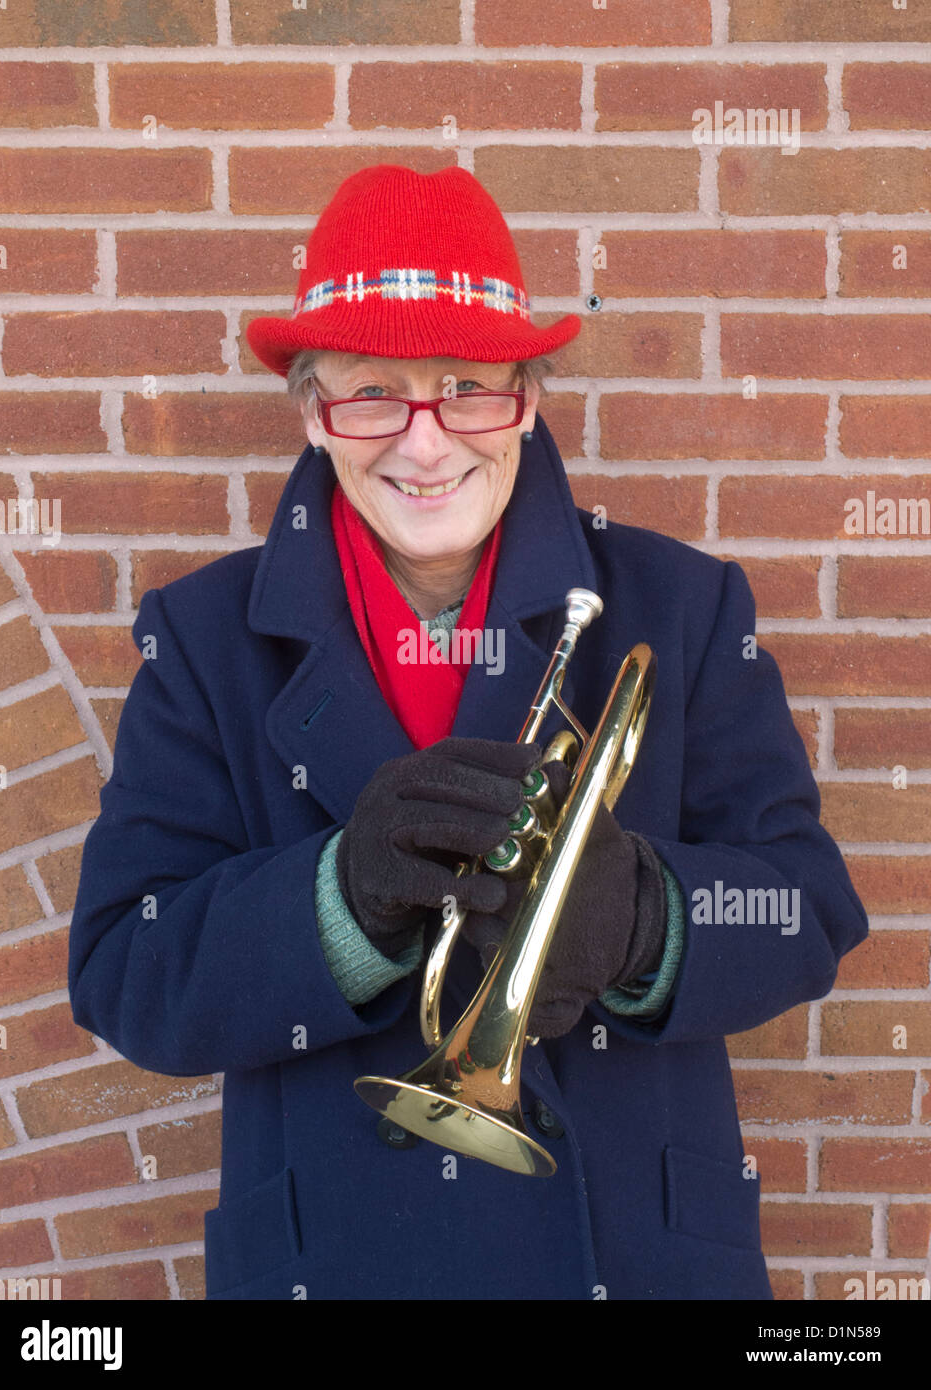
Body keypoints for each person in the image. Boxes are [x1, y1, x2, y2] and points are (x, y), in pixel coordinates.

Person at [68, 164, 868, 1301]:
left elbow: (806, 907)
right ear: (312, 412)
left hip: (630, 1258)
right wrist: (337, 903)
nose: (427, 444)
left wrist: (648, 923)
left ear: (528, 398)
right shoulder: (203, 643)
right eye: (374, 392)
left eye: (465, 387)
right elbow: (123, 969)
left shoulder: (684, 608)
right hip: (336, 1262)